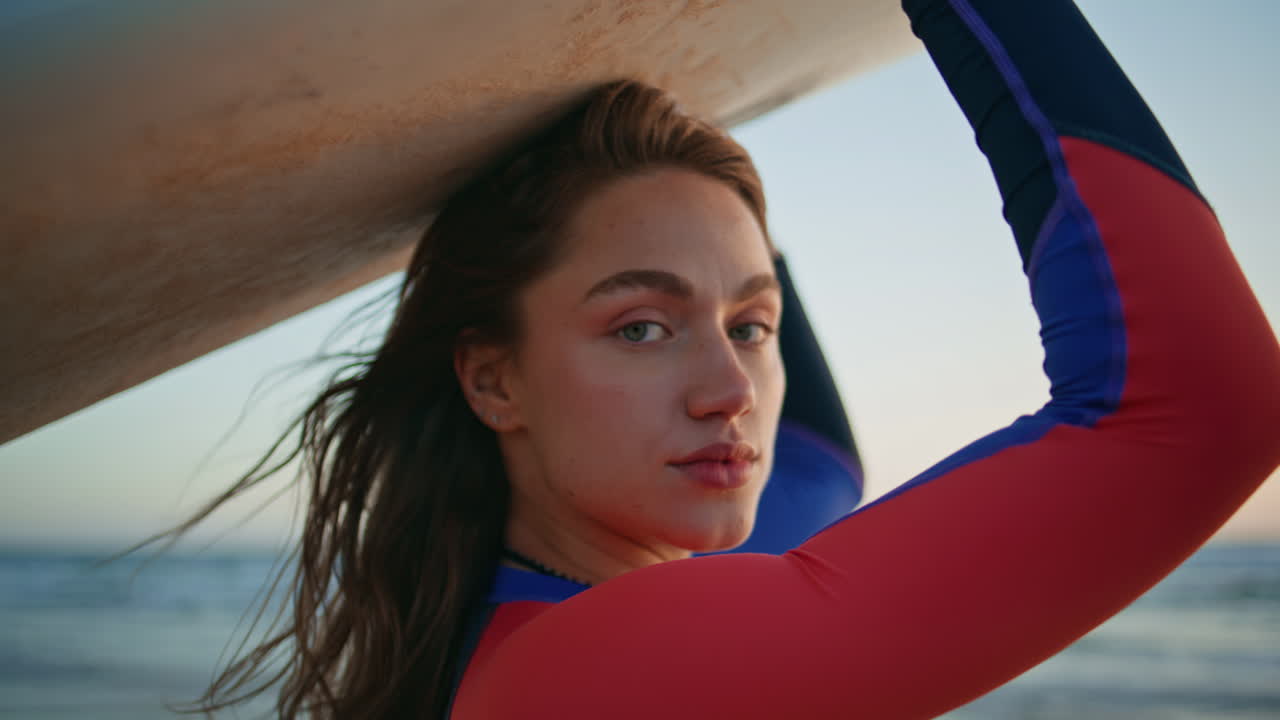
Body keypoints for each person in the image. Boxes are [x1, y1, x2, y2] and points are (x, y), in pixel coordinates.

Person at [180, 0, 1280, 718]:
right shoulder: (603, 673)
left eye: (750, 328)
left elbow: (812, 469)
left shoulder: (529, 639)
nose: (730, 393)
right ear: (490, 377)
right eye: (640, 329)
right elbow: (1193, 402)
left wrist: (705, 212)